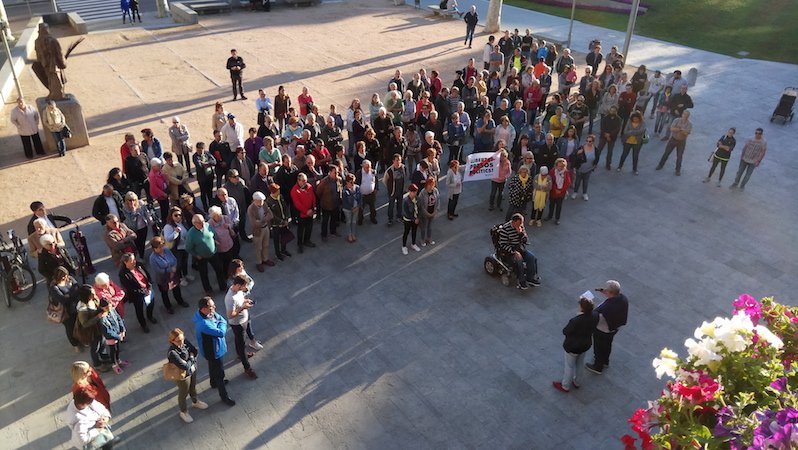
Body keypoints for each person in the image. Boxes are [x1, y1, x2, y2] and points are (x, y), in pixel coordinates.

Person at [194, 297, 236, 406]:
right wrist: (221, 323)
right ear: (203, 309)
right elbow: (221, 330)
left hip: (211, 349)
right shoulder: (204, 324)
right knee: (219, 373)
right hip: (213, 351)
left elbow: (220, 318)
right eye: (211, 306)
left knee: (212, 366)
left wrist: (219, 321)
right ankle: (224, 396)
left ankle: (213, 383)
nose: (214, 308)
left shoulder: (206, 314)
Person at [553, 296, 598, 393]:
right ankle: (577, 382)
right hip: (585, 344)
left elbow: (565, 331)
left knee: (569, 366)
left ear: (582, 308)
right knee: (580, 363)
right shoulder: (595, 316)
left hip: (573, 346)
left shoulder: (575, 321)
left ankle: (565, 386)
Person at [586, 280, 629, 374]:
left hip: (602, 330)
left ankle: (598, 366)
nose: (605, 290)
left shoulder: (608, 306)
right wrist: (604, 291)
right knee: (607, 345)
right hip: (614, 328)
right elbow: (614, 295)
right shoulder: (623, 298)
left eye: (607, 290)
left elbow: (595, 314)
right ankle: (605, 361)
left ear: (611, 293)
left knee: (599, 347)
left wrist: (586, 305)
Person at [166, 328, 209, 423]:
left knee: (193, 387)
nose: (181, 342)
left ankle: (195, 401)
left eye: (182, 339)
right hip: (182, 376)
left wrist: (190, 359)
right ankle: (183, 411)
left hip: (192, 369)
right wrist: (192, 357)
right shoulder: (172, 353)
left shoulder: (184, 341)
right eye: (178, 341)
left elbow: (195, 350)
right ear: (172, 341)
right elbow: (184, 366)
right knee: (183, 393)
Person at [223, 276, 259, 380]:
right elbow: (230, 315)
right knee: (241, 345)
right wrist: (243, 307)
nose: (246, 288)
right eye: (244, 286)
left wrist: (245, 301)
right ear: (238, 285)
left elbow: (240, 301)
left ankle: (240, 353)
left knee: (239, 341)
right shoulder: (230, 298)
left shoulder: (238, 291)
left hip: (244, 320)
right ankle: (247, 368)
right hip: (237, 324)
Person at [497, 213, 541, 290]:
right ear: (513, 222)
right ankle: (521, 281)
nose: (520, 225)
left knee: (531, 257)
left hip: (520, 248)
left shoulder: (520, 226)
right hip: (509, 252)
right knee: (519, 261)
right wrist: (514, 251)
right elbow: (503, 245)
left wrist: (520, 234)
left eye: (521, 223)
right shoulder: (505, 229)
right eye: (518, 224)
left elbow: (526, 240)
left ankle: (530, 278)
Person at [150, 236, 189, 314]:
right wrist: (170, 270)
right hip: (162, 278)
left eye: (162, 246)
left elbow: (174, 259)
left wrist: (174, 268)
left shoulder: (166, 250)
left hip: (173, 274)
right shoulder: (152, 258)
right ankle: (168, 307)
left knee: (176, 288)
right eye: (159, 247)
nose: (162, 248)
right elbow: (157, 270)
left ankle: (180, 301)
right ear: (154, 248)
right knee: (164, 293)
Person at [118, 252, 156, 333]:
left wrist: (149, 286)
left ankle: (150, 316)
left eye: (134, 259)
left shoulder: (139, 265)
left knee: (151, 303)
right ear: (126, 262)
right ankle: (143, 324)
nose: (134, 262)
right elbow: (129, 288)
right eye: (132, 261)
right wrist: (142, 292)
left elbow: (147, 276)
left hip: (148, 289)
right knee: (139, 310)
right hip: (137, 295)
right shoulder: (123, 274)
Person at [76, 285, 109, 372]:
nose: (95, 295)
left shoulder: (93, 300)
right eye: (92, 294)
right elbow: (85, 324)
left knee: (102, 342)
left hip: (98, 327)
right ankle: (97, 364)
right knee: (95, 347)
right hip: (91, 331)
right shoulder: (83, 310)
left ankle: (104, 356)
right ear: (86, 296)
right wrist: (98, 317)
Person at [51, 267, 81, 351]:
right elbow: (62, 299)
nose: (65, 278)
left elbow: (77, 288)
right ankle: (75, 344)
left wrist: (68, 295)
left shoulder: (70, 279)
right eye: (63, 276)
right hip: (66, 312)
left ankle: (82, 338)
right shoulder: (54, 288)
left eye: (66, 275)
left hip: (76, 308)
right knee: (70, 328)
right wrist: (71, 294)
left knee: (79, 325)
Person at [656, 110, 692, 176]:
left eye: (687, 115)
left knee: (679, 156)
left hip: (681, 141)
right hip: (673, 139)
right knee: (666, 153)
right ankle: (660, 165)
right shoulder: (677, 120)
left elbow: (686, 134)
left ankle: (678, 170)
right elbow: (672, 129)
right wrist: (681, 130)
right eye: (684, 114)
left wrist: (678, 129)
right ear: (682, 114)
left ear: (688, 116)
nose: (685, 116)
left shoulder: (689, 124)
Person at [162, 206, 192, 286]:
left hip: (184, 246)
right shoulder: (168, 226)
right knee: (178, 264)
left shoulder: (183, 222)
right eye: (175, 215)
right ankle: (180, 278)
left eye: (179, 215)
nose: (178, 217)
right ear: (171, 216)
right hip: (176, 248)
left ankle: (186, 275)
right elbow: (168, 238)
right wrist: (175, 232)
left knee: (185, 262)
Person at [98, 298, 127, 374]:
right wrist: (118, 337)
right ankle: (114, 364)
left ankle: (118, 360)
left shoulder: (112, 310)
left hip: (118, 334)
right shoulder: (102, 318)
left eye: (109, 306)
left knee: (117, 349)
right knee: (113, 351)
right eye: (106, 307)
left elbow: (119, 319)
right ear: (101, 308)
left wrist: (122, 330)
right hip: (111, 338)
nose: (108, 308)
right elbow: (107, 332)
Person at [247, 192, 275, 271]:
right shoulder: (251, 208)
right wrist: (265, 219)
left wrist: (262, 220)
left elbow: (271, 215)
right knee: (258, 247)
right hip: (257, 230)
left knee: (266, 245)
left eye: (262, 200)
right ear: (254, 200)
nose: (261, 202)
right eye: (259, 201)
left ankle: (265, 259)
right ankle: (259, 262)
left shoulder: (264, 204)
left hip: (266, 228)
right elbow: (254, 223)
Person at [290, 173, 317, 254]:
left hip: (310, 212)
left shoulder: (309, 186)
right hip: (301, 214)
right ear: (298, 181)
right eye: (303, 181)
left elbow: (313, 197)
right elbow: (297, 204)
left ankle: (307, 240)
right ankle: (300, 244)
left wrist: (314, 208)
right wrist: (306, 211)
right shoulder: (294, 191)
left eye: (306, 180)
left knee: (309, 227)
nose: (305, 182)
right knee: (301, 230)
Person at [121, 192, 152, 259]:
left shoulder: (141, 203)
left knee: (142, 242)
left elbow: (146, 212)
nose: (132, 201)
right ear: (126, 200)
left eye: (134, 199)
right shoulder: (125, 208)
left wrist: (150, 221)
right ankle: (140, 256)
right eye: (130, 200)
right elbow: (130, 220)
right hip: (133, 228)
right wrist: (133, 210)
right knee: (137, 243)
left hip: (143, 226)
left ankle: (141, 256)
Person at [316, 166, 342, 241]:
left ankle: (333, 231)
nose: (337, 174)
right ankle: (324, 235)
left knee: (334, 219)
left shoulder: (339, 179)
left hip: (335, 204)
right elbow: (318, 192)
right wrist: (323, 200)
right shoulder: (324, 182)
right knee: (325, 220)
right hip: (326, 205)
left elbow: (340, 188)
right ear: (330, 172)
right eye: (335, 172)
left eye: (337, 172)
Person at [265, 183, 291, 259]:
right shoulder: (268, 202)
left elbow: (285, 207)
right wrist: (281, 222)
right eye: (277, 191)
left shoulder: (281, 197)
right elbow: (272, 215)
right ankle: (278, 253)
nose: (279, 192)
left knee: (284, 237)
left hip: (284, 221)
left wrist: (286, 218)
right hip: (276, 224)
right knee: (276, 239)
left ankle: (284, 250)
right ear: (273, 192)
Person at [570, 135, 597, 201]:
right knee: (577, 181)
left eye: (590, 141)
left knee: (586, 182)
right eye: (587, 141)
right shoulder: (581, 148)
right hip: (580, 168)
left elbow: (597, 157)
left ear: (593, 142)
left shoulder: (595, 149)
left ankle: (584, 193)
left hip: (588, 169)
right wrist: (577, 153)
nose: (588, 142)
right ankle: (575, 192)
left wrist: (594, 165)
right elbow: (573, 155)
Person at [546, 158, 571, 224]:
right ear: (556, 165)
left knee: (559, 206)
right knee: (551, 205)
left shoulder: (566, 172)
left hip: (561, 193)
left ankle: (557, 218)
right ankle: (550, 216)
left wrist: (561, 190)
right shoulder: (552, 171)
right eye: (559, 166)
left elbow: (568, 183)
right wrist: (555, 189)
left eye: (562, 166)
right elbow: (550, 181)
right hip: (553, 192)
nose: (560, 167)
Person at [417, 177, 439, 247]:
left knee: (430, 227)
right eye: (430, 185)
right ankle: (422, 239)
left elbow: (438, 201)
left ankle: (429, 238)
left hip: (432, 211)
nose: (431, 186)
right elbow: (421, 206)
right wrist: (427, 213)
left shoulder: (435, 191)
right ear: (427, 184)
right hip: (424, 214)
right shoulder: (422, 193)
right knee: (423, 227)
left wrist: (435, 211)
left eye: (433, 185)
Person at [355, 160, 378, 225]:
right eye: (366, 167)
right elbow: (356, 184)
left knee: (372, 208)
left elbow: (376, 180)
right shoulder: (359, 173)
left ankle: (373, 218)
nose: (368, 169)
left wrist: (376, 188)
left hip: (371, 194)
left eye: (369, 167)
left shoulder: (373, 172)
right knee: (361, 209)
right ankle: (360, 220)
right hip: (362, 195)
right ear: (363, 166)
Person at [341, 173, 362, 243]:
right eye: (351, 182)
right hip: (347, 209)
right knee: (348, 221)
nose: (353, 184)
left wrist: (358, 206)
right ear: (347, 182)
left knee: (354, 221)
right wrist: (351, 208)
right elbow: (344, 202)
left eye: (353, 182)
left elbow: (360, 198)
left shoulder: (357, 187)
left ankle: (353, 234)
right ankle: (349, 235)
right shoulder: (344, 191)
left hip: (356, 207)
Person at [401, 184, 421, 255]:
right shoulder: (406, 201)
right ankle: (404, 246)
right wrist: (414, 219)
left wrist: (418, 217)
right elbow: (406, 212)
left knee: (414, 231)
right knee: (406, 232)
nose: (415, 193)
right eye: (413, 192)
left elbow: (419, 208)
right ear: (409, 191)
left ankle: (413, 243)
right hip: (408, 220)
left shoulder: (417, 199)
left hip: (415, 219)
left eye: (415, 192)